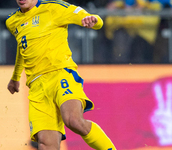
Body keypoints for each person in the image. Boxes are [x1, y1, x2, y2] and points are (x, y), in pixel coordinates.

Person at [6, 0, 116, 149]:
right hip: (36, 86)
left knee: (74, 120)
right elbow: (22, 47)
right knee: (45, 143)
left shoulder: (55, 7)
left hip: (60, 73)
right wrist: (15, 77)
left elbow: (92, 19)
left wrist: (94, 20)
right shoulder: (12, 21)